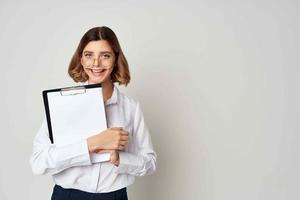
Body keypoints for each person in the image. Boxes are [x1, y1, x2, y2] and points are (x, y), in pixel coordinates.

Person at [30, 26, 157, 200]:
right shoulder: (62, 105)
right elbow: (39, 163)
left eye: (105, 56)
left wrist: (120, 158)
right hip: (67, 195)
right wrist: (91, 144)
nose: (96, 64)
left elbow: (150, 163)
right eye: (89, 55)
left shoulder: (130, 108)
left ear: (115, 59)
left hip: (114, 196)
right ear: (81, 59)